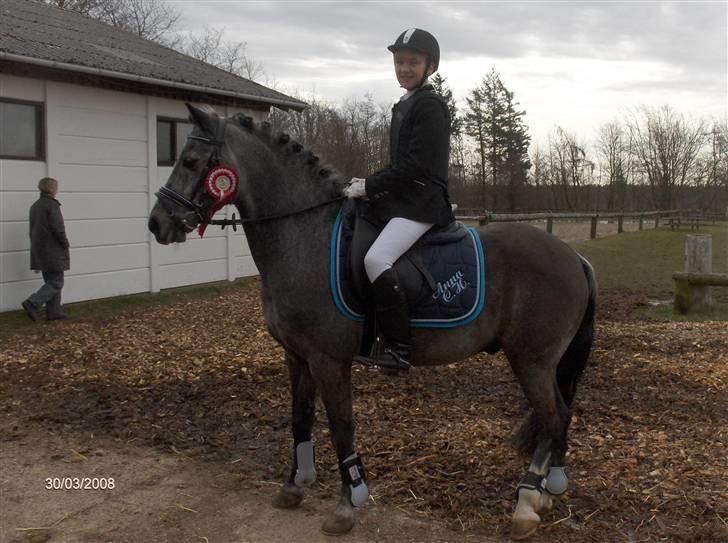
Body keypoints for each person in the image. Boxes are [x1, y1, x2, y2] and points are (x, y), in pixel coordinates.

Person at [344, 28, 455, 368]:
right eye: (399, 61)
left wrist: (370, 186)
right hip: (403, 198)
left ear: (430, 66)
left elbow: (414, 166)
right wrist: (367, 184)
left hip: (422, 203)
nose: (404, 68)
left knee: (377, 259)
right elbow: (398, 164)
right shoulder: (405, 104)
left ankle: (400, 348)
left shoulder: (430, 106)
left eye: (413, 62)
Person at [22, 177, 70, 322]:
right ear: (53, 189)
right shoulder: (52, 206)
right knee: (56, 282)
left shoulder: (35, 206)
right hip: (53, 249)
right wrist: (65, 243)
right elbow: (58, 229)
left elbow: (32, 230)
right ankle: (32, 303)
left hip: (39, 249)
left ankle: (54, 313)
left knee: (50, 280)